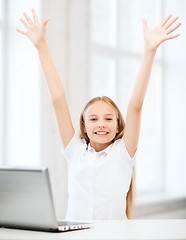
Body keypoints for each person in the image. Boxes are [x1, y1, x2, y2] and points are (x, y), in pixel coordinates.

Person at [17, 9, 181, 220]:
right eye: (93, 119)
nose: (101, 124)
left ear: (118, 126)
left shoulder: (123, 153)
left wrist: (150, 51)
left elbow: (136, 105)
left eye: (108, 118)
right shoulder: (75, 151)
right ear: (84, 126)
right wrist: (41, 46)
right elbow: (58, 99)